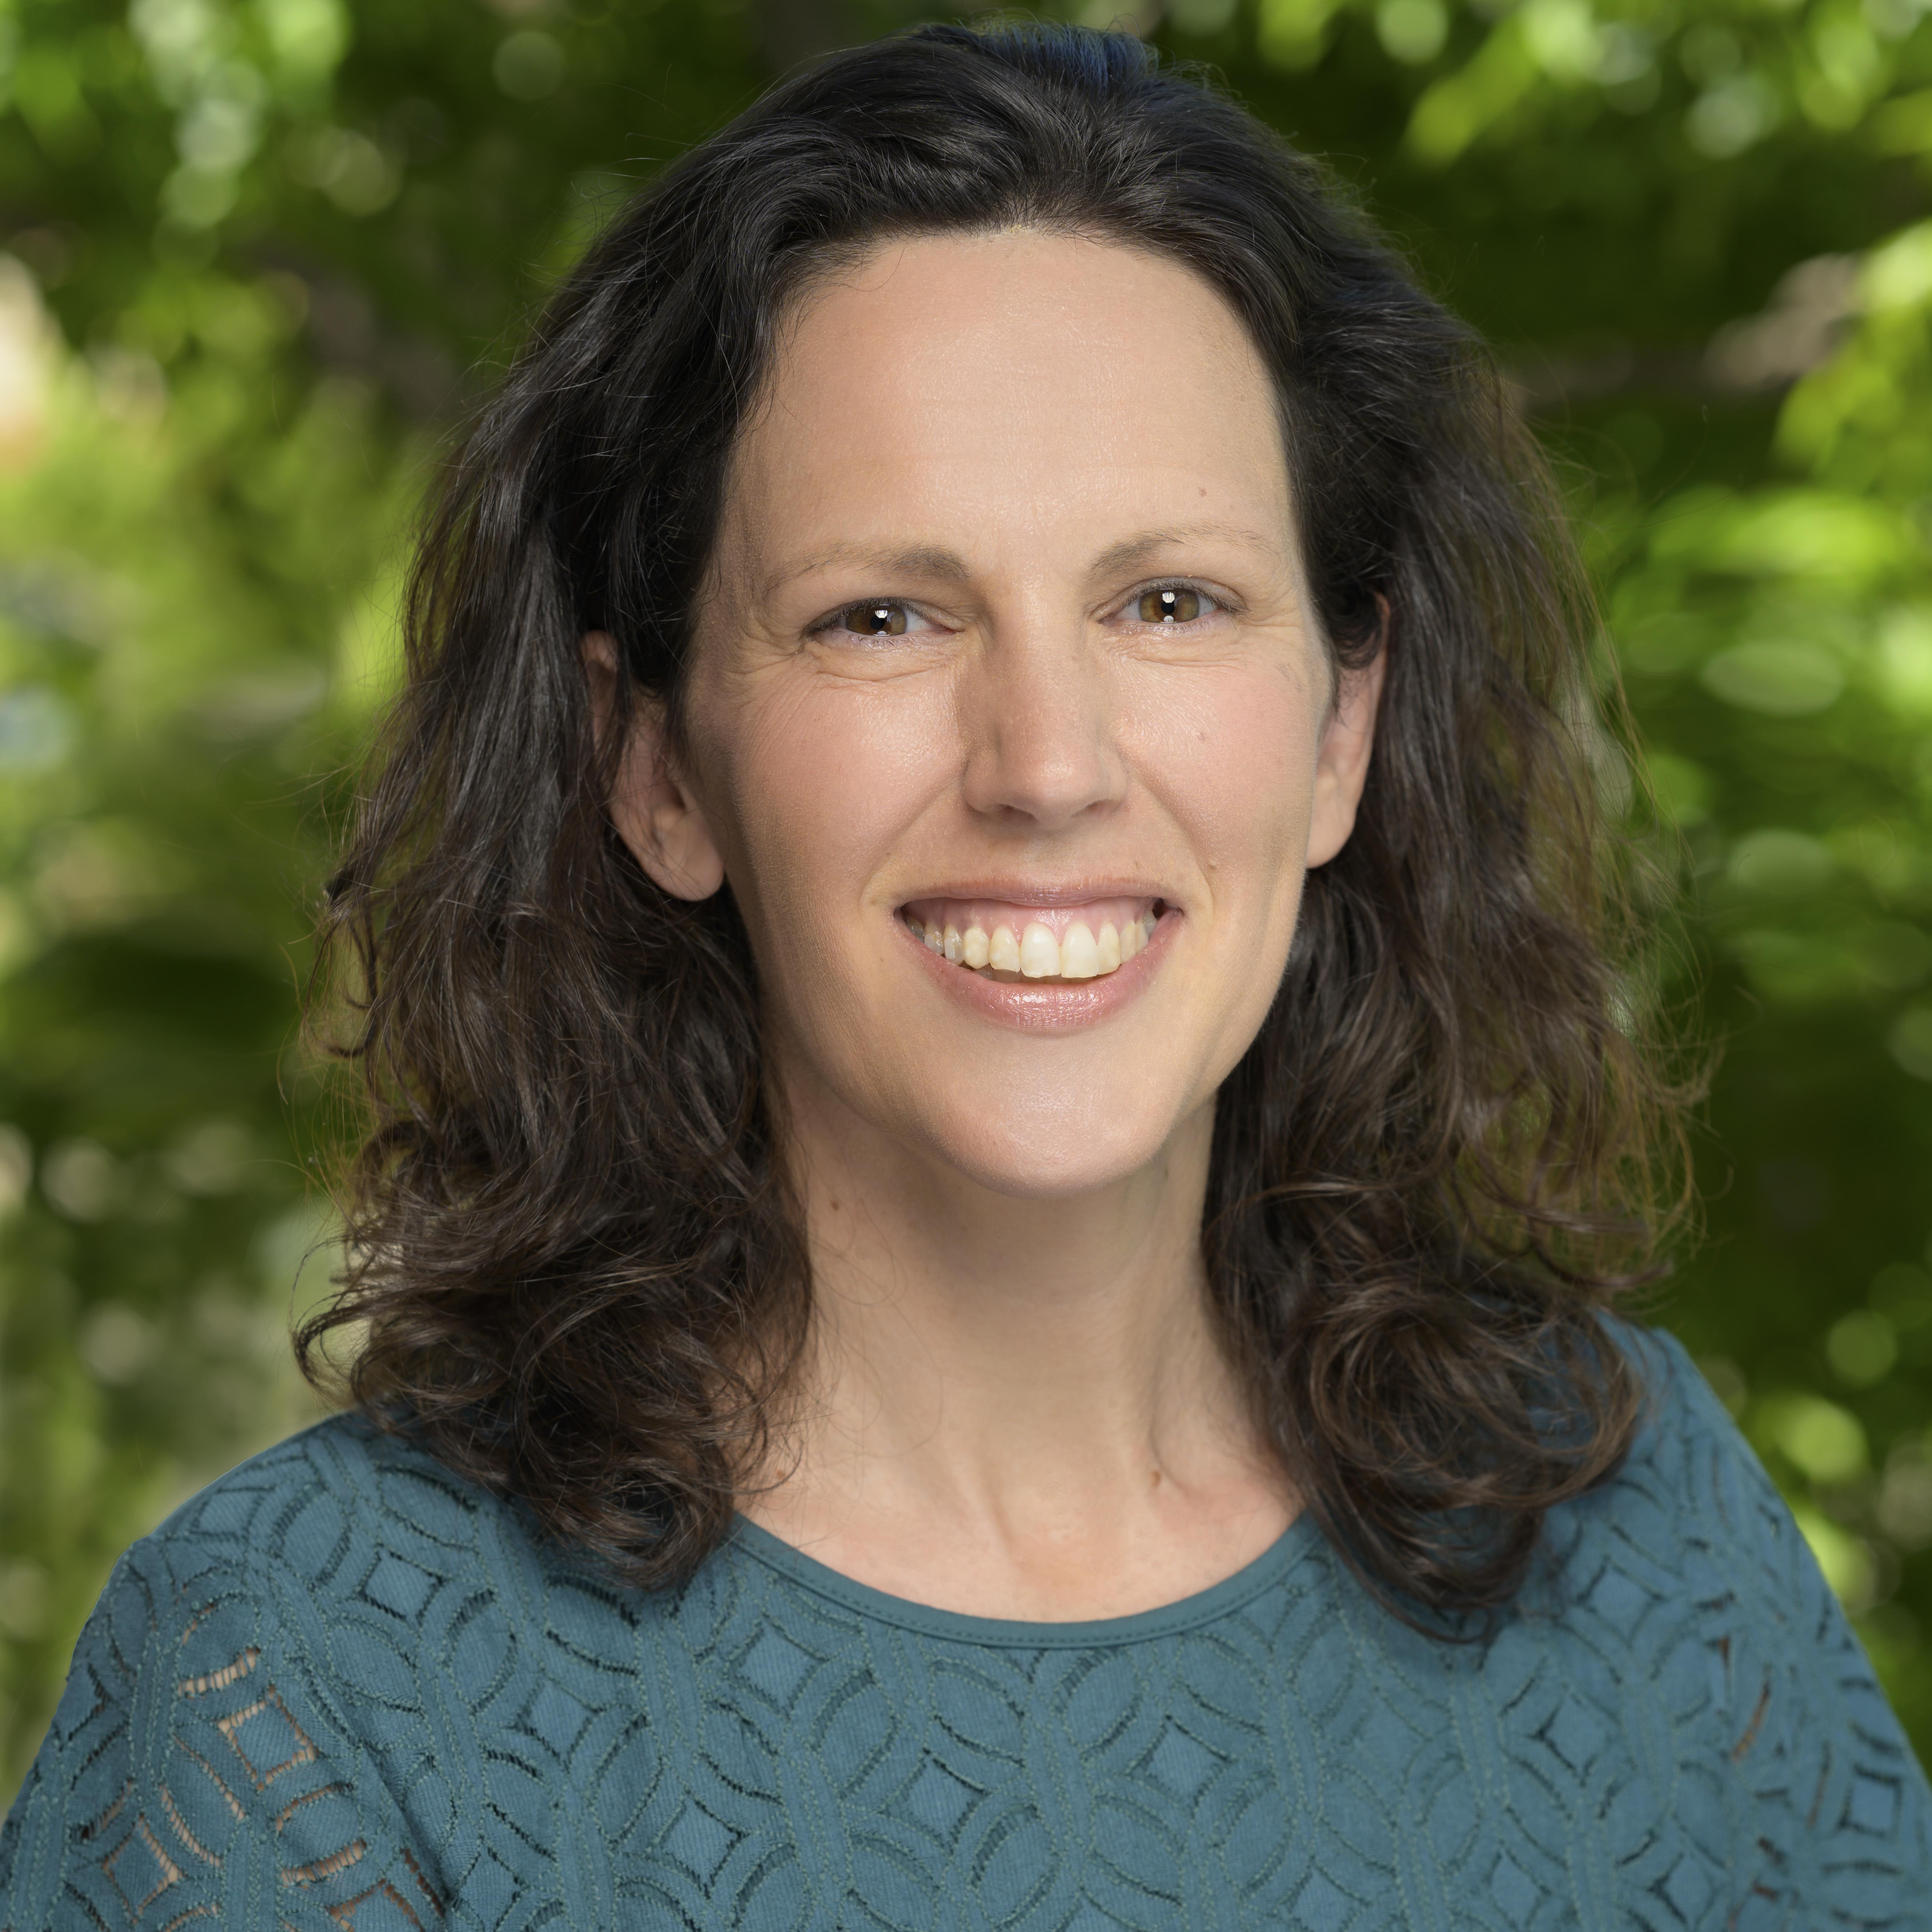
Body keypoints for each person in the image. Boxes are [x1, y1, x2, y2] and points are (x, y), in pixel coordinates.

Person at [4, 21, 1927, 1927]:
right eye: (882, 615)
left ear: (1343, 726)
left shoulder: (1634, 1529)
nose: (1045, 762)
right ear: (659, 766)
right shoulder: (307, 1679)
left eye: (1167, 600)